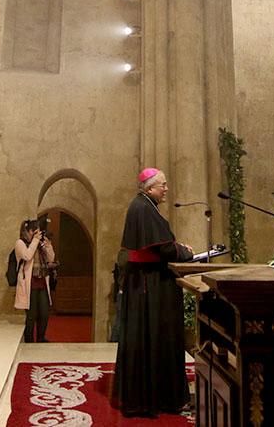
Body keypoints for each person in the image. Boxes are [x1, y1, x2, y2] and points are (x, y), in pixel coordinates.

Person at [113, 168, 195, 417]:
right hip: (151, 284)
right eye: (163, 185)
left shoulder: (142, 206)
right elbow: (163, 250)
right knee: (159, 337)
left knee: (145, 340)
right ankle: (164, 398)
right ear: (149, 188)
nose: (166, 189)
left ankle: (150, 394)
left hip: (143, 283)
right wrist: (185, 252)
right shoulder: (144, 208)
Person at [13, 219, 56, 343]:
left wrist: (47, 245)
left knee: (44, 312)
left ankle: (41, 337)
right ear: (27, 231)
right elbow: (27, 256)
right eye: (33, 231)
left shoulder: (38, 244)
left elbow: (51, 259)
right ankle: (29, 340)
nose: (35, 234)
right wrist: (36, 241)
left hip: (42, 281)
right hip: (29, 283)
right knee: (31, 315)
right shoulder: (20, 243)